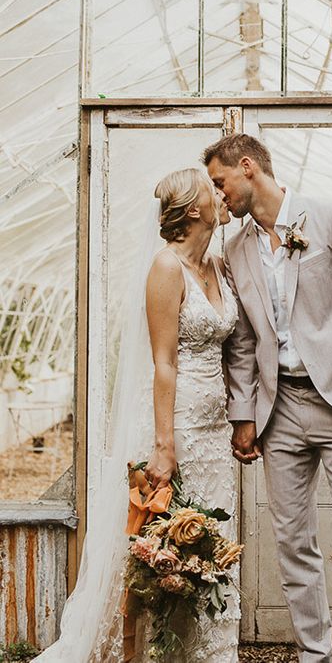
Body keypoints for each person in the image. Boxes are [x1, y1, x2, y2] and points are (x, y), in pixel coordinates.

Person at [35, 168, 240, 662]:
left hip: (216, 430)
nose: (222, 192)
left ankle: (212, 654)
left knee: (213, 547)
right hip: (180, 427)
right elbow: (164, 362)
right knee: (172, 549)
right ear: (194, 210)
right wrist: (165, 445)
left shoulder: (216, 263)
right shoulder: (166, 268)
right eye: (213, 188)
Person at [204, 134, 332, 663]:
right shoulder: (236, 248)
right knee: (293, 546)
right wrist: (244, 415)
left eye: (221, 183)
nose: (218, 197)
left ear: (247, 169)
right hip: (279, 411)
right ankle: (316, 655)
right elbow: (243, 340)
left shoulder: (331, 217)